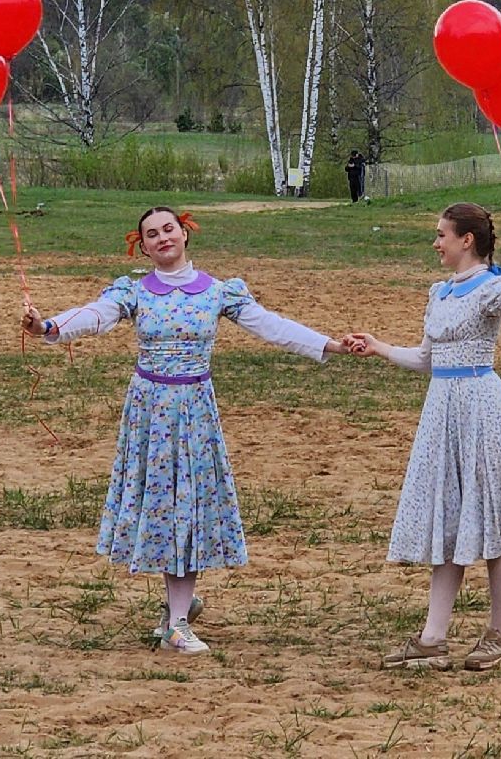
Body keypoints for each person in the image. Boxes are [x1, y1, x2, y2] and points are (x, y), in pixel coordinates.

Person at [22, 206, 355, 655]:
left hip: (196, 411)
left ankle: (177, 618)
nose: (162, 238)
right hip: (150, 413)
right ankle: (177, 616)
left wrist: (328, 344)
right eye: (151, 235)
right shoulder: (134, 292)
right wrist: (48, 326)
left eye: (168, 229)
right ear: (141, 246)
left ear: (185, 234)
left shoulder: (218, 292)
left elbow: (271, 326)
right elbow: (95, 315)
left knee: (188, 509)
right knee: (163, 506)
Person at [348, 202, 501, 672]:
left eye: (441, 235)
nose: (436, 243)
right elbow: (427, 360)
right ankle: (433, 638)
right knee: (449, 520)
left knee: (494, 522)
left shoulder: (494, 285)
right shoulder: (439, 293)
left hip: (483, 409)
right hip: (443, 412)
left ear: (466, 240)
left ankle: (499, 635)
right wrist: (378, 347)